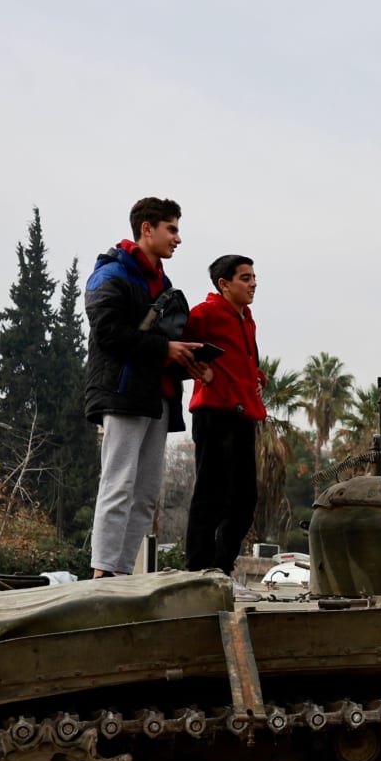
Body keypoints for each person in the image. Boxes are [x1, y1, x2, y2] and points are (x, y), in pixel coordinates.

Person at [84, 197, 212, 578]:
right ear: (147, 228)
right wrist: (165, 348)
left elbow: (159, 345)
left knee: (145, 493)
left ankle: (121, 572)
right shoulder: (111, 274)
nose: (178, 238)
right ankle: (102, 573)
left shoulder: (163, 283)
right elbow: (107, 332)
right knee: (118, 483)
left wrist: (189, 363)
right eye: (171, 229)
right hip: (124, 394)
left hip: (158, 397)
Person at [183, 255, 268, 575]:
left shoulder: (247, 318)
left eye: (254, 277)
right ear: (224, 284)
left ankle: (220, 567)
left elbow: (245, 360)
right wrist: (197, 368)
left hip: (244, 416)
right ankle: (198, 568)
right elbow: (177, 343)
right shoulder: (205, 313)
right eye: (245, 278)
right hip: (214, 413)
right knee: (211, 495)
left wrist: (257, 378)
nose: (253, 284)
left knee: (245, 500)